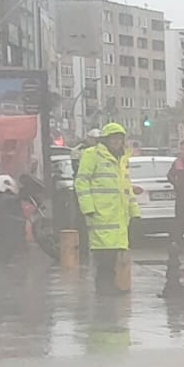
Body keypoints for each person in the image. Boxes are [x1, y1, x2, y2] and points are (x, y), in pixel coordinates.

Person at [76, 123, 141, 297]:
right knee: (103, 258)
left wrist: (135, 212)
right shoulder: (92, 155)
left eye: (119, 139)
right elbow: (81, 182)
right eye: (113, 139)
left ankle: (109, 288)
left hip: (119, 218)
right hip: (101, 216)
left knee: (113, 258)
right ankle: (104, 290)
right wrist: (88, 208)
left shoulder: (122, 160)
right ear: (106, 140)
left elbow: (127, 188)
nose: (116, 142)